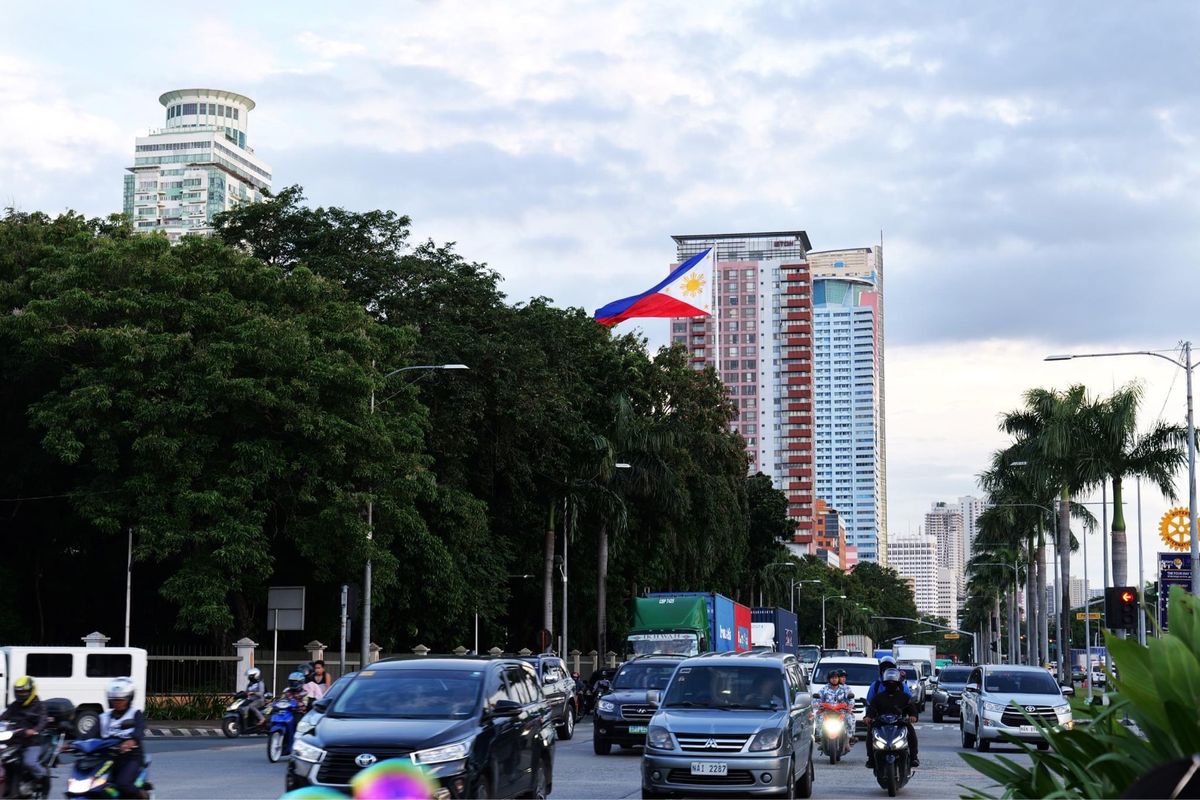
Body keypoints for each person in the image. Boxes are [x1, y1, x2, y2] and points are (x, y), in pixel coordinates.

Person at [96, 676, 148, 799]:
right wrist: (72, 744)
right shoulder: (104, 717)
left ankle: (143, 795)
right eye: (114, 699)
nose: (117, 702)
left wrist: (131, 741)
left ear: (129, 698)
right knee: (93, 783)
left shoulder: (135, 714)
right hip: (106, 757)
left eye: (121, 699)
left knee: (123, 784)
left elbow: (140, 729)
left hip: (130, 757)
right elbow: (89, 734)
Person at [863, 668, 919, 769]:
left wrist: (913, 717)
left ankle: (914, 757)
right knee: (870, 731)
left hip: (900, 722)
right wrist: (868, 717)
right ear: (884, 682)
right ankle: (871, 758)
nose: (891, 683)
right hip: (881, 723)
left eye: (893, 682)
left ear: (898, 682)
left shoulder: (904, 697)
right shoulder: (878, 697)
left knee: (911, 730)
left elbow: (912, 709)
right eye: (888, 682)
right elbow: (871, 709)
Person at [0, 675, 48, 782]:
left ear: (31, 691)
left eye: (24, 692)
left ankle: (43, 776)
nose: (21, 694)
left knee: (29, 762)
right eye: (19, 692)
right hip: (14, 739)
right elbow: (4, 716)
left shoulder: (40, 706)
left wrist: (34, 730)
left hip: (31, 742)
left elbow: (43, 721)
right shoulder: (15, 705)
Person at [812, 669, 855, 738]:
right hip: (826, 711)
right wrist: (817, 705)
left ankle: (849, 737)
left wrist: (850, 706)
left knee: (850, 717)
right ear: (829, 679)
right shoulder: (824, 689)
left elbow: (851, 699)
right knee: (818, 717)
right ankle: (820, 737)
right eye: (832, 678)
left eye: (836, 678)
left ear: (838, 679)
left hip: (841, 711)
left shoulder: (844, 689)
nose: (834, 679)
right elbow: (817, 699)